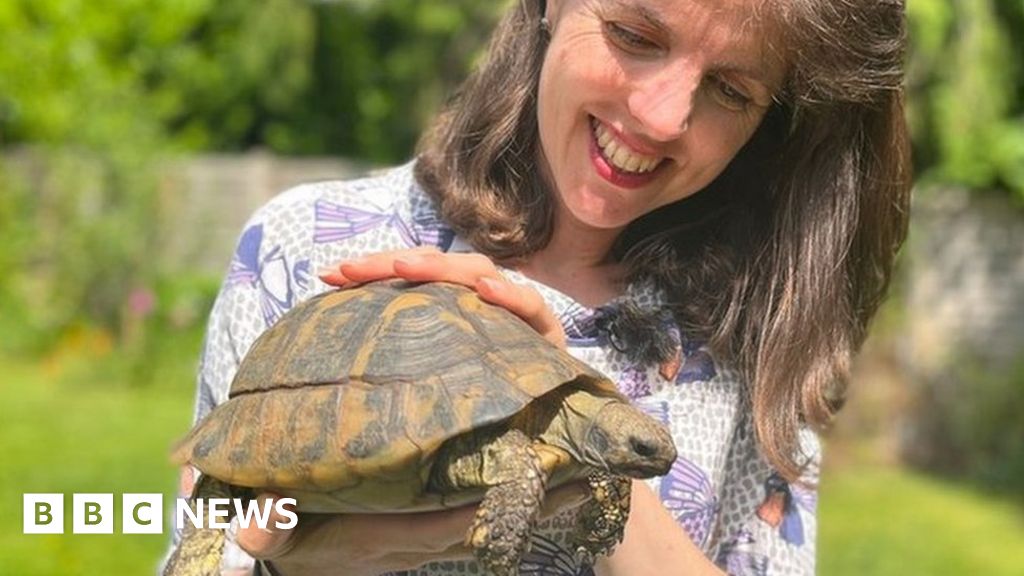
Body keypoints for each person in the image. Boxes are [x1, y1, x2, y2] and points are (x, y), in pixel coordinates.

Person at [168, 0, 911, 574]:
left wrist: (574, 420)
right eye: (635, 35)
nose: (662, 115)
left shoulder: (758, 337)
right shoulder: (308, 247)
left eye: (730, 88)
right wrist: (282, 556)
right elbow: (212, 545)